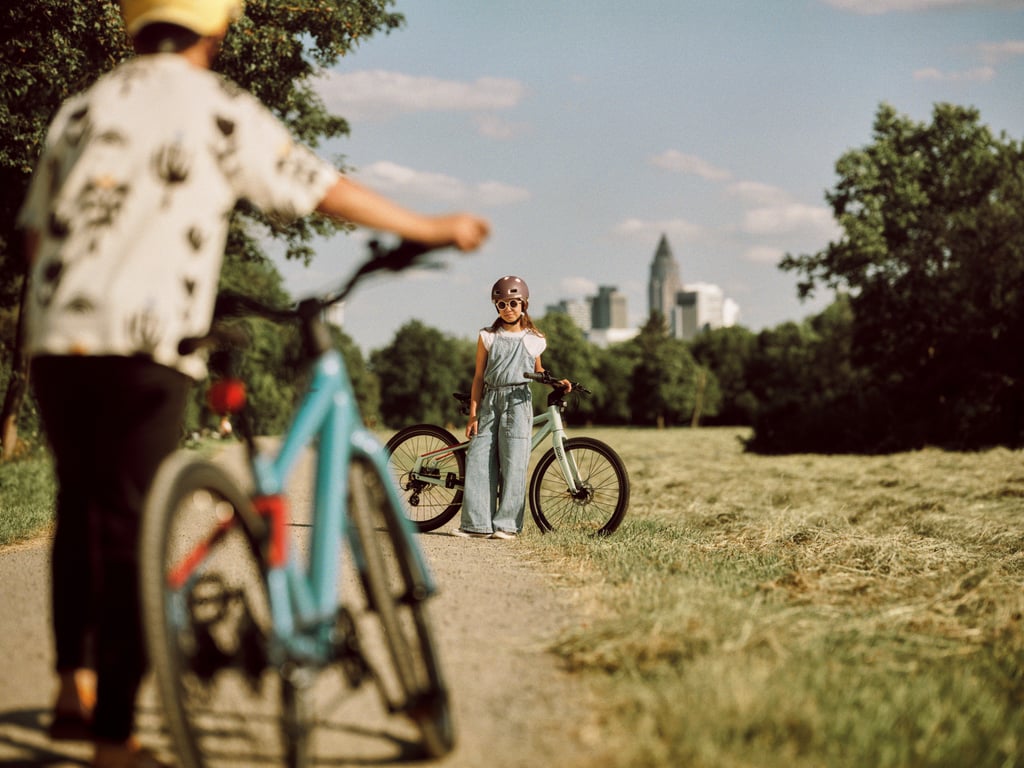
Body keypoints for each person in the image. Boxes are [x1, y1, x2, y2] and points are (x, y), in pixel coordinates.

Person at [17, 2, 489, 766]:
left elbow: (35, 231)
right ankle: (114, 740)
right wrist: (430, 227)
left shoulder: (82, 108)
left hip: (58, 338)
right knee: (133, 526)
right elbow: (316, 185)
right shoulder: (217, 106)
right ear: (216, 28)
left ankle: (74, 685)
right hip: (148, 342)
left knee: (82, 506)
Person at [454, 276, 570, 540]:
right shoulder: (488, 336)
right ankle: (476, 524)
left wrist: (557, 382)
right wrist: (473, 414)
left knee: (514, 461)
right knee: (479, 459)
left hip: (518, 402)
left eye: (513, 303)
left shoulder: (534, 339)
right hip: (490, 400)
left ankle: (507, 525)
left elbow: (538, 371)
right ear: (496, 306)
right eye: (502, 304)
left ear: (524, 304)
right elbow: (478, 377)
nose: (508, 309)